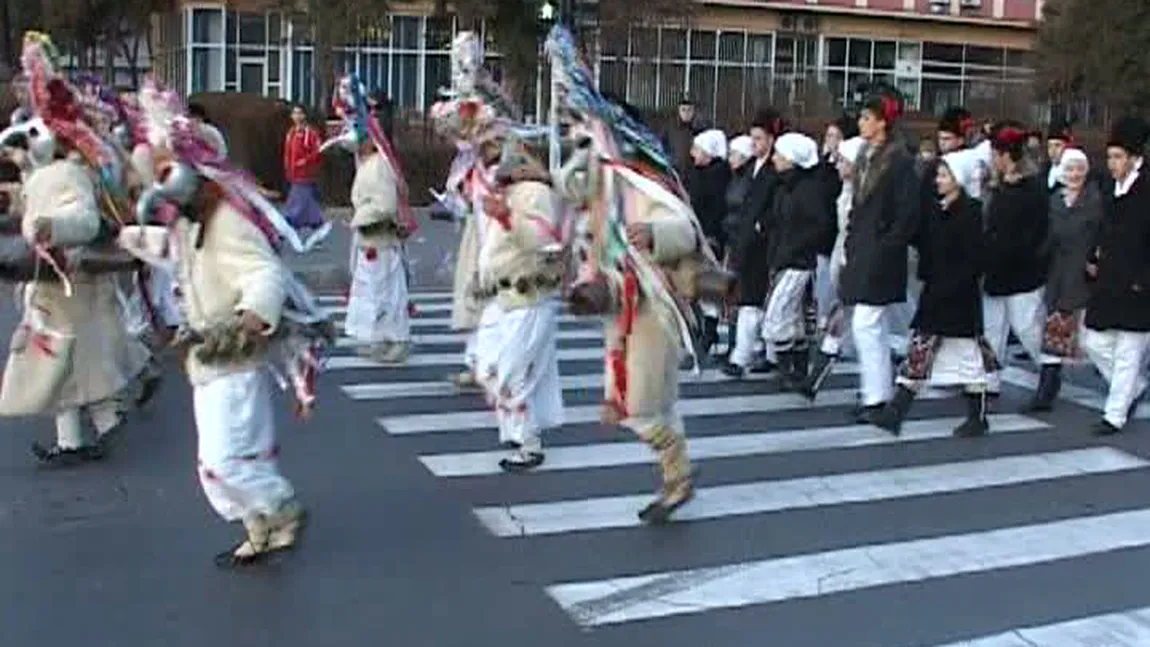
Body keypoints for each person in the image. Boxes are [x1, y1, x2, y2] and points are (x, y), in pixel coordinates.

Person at [134, 79, 317, 568]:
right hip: (209, 362)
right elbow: (166, 252)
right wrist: (122, 237)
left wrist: (255, 312)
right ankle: (260, 527)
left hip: (232, 356)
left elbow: (263, 271)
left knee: (223, 461)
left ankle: (281, 509)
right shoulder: (190, 224)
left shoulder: (227, 221)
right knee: (236, 457)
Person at [873, 151, 996, 437]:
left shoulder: (971, 211)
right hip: (937, 291)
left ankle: (977, 417)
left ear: (959, 179)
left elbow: (975, 259)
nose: (938, 180)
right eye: (938, 174)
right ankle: (896, 412)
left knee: (965, 356)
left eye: (944, 175)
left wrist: (954, 282)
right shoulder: (938, 208)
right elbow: (925, 241)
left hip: (958, 297)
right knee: (921, 349)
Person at [476, 142, 565, 471]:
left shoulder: (535, 194)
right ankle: (520, 430)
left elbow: (544, 240)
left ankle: (529, 442)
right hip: (504, 297)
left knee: (515, 372)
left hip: (529, 298)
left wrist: (507, 217)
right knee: (491, 365)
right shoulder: (508, 192)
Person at [838, 91, 920, 425]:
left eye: (867, 118)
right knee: (874, 326)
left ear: (882, 122)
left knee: (866, 324)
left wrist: (889, 245)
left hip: (882, 253)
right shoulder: (864, 155)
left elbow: (907, 212)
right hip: (862, 248)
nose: (861, 123)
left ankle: (875, 398)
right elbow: (858, 206)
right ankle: (877, 392)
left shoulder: (898, 161)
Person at [1080, 116, 1150, 436]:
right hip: (1109, 278)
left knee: (1128, 352)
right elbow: (1103, 228)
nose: (1111, 163)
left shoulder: (1146, 188)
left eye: (1118, 157)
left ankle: (1115, 414)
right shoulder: (1111, 188)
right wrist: (1094, 253)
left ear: (1135, 158)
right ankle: (1133, 388)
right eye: (1110, 156)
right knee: (1092, 340)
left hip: (1138, 282)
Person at [980, 121, 1058, 407]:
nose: (992, 159)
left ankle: (1049, 367)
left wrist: (1015, 254)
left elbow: (1033, 232)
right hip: (995, 267)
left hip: (1023, 270)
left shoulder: (1031, 188)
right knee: (992, 329)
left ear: (1005, 155)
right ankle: (989, 380)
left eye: (995, 153)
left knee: (1027, 327)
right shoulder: (997, 185)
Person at [762, 132, 833, 390]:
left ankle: (786, 369)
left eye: (780, 154)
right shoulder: (784, 185)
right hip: (784, 257)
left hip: (799, 260)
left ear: (792, 159)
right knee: (792, 317)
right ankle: (797, 369)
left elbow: (820, 225)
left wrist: (796, 245)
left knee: (778, 315)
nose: (775, 159)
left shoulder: (808, 189)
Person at [1035, 147, 1101, 406]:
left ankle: (1127, 385)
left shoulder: (1095, 201)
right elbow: (1047, 238)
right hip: (1058, 273)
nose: (1074, 174)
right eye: (1070, 168)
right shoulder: (1054, 201)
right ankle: (1046, 390)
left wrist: (1096, 259)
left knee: (1092, 340)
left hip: (1084, 273)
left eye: (1079, 169)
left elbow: (1103, 235)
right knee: (1053, 331)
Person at [723, 109, 786, 378]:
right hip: (745, 240)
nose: (754, 144)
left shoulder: (776, 169)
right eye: (752, 139)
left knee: (753, 300)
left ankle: (742, 355)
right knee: (755, 300)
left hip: (763, 244)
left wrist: (763, 226)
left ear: (772, 140)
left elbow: (779, 206)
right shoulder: (751, 167)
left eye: (759, 139)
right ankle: (767, 353)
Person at [801, 135, 864, 400]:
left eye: (843, 160)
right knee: (854, 325)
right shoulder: (845, 190)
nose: (837, 165)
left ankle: (818, 377)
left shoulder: (862, 196)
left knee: (858, 325)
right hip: (843, 257)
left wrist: (849, 263)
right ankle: (817, 377)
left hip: (857, 263)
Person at [687, 128, 730, 354]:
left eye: (698, 149)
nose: (693, 153)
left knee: (708, 284)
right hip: (695, 233)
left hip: (709, 236)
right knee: (695, 283)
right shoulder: (698, 172)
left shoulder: (718, 176)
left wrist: (710, 236)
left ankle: (710, 329)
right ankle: (701, 327)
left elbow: (716, 209)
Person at [282, 104, 327, 236]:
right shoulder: (291, 133)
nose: (296, 116)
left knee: (297, 201)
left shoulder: (310, 134)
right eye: (294, 113)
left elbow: (318, 151)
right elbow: (287, 153)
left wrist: (305, 161)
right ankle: (316, 224)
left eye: (299, 113)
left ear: (305, 115)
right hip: (294, 173)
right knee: (307, 202)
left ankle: (289, 224)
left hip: (306, 174)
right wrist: (287, 167)